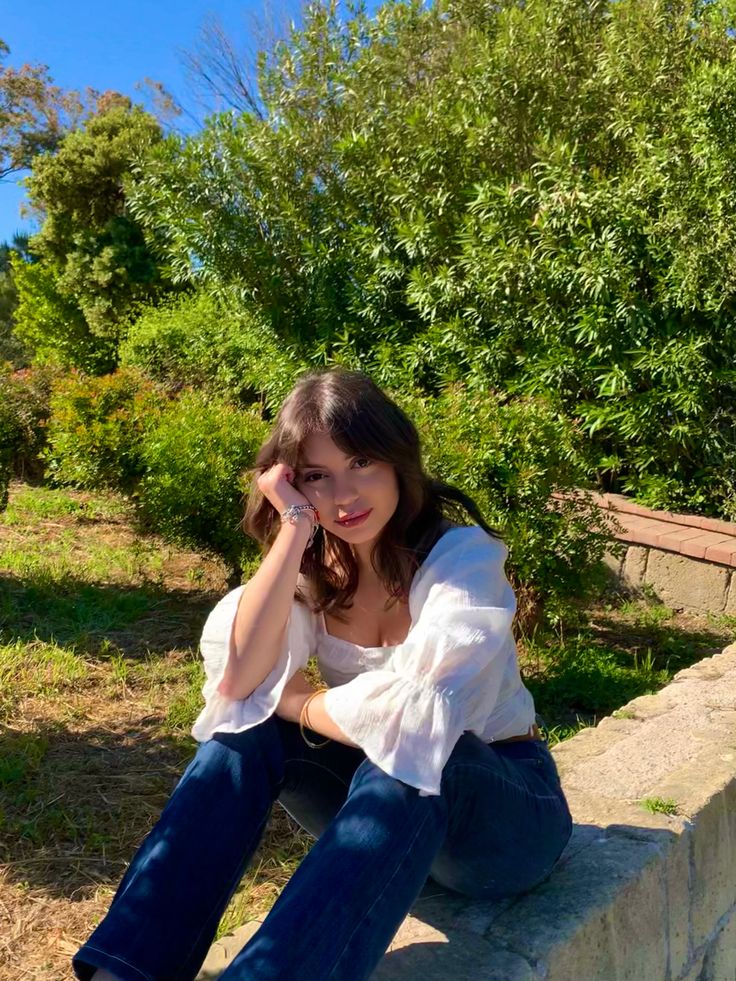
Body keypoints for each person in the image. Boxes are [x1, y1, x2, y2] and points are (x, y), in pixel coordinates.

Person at [73, 368, 573, 981]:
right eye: (316, 475)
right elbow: (236, 684)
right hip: (389, 811)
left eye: (361, 461)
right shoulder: (316, 569)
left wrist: (301, 704)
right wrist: (291, 531)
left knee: (420, 751)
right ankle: (125, 973)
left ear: (396, 458)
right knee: (246, 735)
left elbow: (414, 717)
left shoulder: (461, 560)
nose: (344, 496)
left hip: (502, 824)